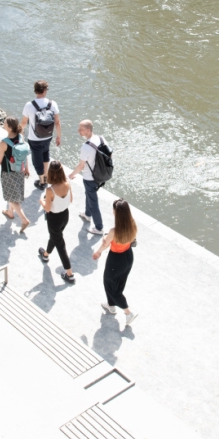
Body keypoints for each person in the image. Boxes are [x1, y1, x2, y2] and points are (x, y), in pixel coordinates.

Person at [92, 198, 138, 326]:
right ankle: (111, 306)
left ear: (116, 212)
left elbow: (106, 244)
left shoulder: (114, 231)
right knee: (119, 282)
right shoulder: (132, 224)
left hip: (115, 259)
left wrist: (98, 252)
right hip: (128, 256)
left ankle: (128, 312)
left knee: (110, 284)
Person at [0, 116, 30, 232]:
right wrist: (27, 168)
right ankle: (10, 212)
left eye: (5, 123)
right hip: (20, 170)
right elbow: (24, 155)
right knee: (14, 194)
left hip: (8, 172)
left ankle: (24, 219)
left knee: (10, 197)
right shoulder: (21, 137)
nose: (3, 124)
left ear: (10, 127)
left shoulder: (3, 143)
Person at [37, 161, 75, 283]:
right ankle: (46, 254)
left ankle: (69, 274)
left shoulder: (50, 190)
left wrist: (41, 201)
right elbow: (71, 199)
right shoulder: (68, 183)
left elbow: (47, 208)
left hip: (54, 219)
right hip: (65, 216)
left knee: (60, 245)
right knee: (55, 237)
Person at [21, 80, 61, 191]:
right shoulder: (53, 104)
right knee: (45, 154)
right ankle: (46, 177)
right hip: (48, 136)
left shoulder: (29, 105)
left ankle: (42, 181)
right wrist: (59, 136)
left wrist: (21, 134)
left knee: (36, 160)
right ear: (44, 90)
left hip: (34, 138)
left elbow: (24, 122)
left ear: (35, 91)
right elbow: (57, 122)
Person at [68, 120, 105, 234]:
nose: (79, 131)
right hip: (99, 175)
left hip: (90, 177)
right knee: (88, 194)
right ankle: (87, 214)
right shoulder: (101, 139)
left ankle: (99, 227)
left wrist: (72, 174)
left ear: (88, 130)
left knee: (93, 201)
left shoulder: (86, 147)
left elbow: (81, 166)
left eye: (81, 129)